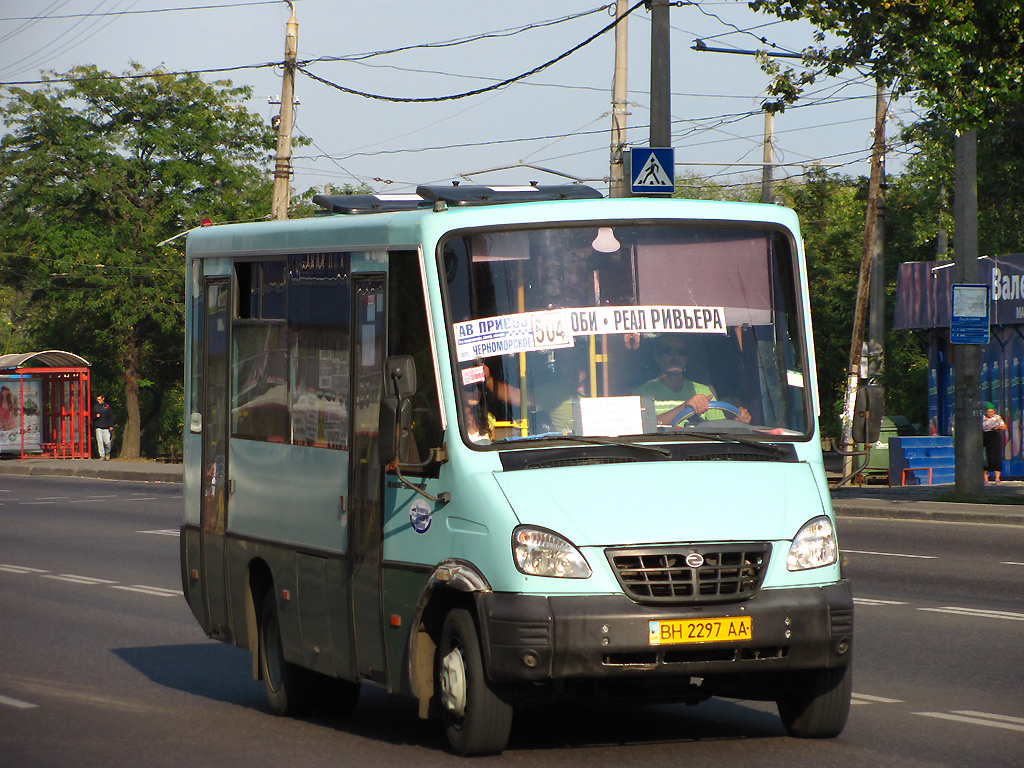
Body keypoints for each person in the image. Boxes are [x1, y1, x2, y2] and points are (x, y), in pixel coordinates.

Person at [633, 336, 751, 427]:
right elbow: (644, 428)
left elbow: (721, 428)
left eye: (681, 352)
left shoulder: (702, 390)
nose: (676, 356)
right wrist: (684, 407)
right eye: (669, 351)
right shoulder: (642, 393)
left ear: (686, 359)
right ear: (657, 356)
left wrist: (737, 422)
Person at [982, 402, 1007, 483]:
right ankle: (986, 478)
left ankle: (997, 478)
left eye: (992, 412)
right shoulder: (982, 418)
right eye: (989, 412)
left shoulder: (997, 417)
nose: (990, 413)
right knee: (986, 457)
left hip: (995, 436)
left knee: (996, 456)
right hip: (985, 437)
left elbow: (1004, 427)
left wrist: (999, 427)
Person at [92, 394, 115, 460]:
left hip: (106, 427)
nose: (98, 401)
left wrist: (111, 425)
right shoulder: (96, 407)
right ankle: (102, 455)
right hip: (98, 426)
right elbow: (92, 416)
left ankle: (107, 452)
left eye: (100, 399)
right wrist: (96, 416)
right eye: (97, 399)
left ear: (103, 399)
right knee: (100, 442)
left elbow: (111, 416)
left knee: (107, 442)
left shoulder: (107, 406)